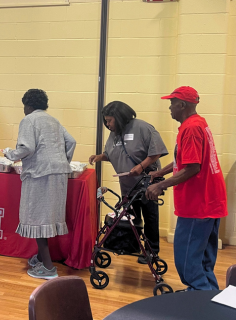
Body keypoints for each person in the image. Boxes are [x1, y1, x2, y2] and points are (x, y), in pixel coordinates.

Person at [146, 86, 227, 291]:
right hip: (212, 202)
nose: (170, 108)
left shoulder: (190, 129)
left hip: (197, 205)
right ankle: (208, 298)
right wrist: (159, 173)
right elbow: (184, 161)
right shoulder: (198, 124)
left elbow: (193, 168)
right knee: (203, 260)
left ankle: (199, 298)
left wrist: (160, 185)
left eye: (172, 104)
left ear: (182, 105)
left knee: (187, 262)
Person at [2, 89, 76, 279]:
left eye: (24, 107)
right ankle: (43, 259)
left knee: (37, 218)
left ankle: (49, 268)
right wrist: (62, 161)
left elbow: (27, 147)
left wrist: (10, 153)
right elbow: (71, 142)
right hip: (59, 173)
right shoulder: (54, 120)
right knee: (48, 218)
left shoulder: (29, 120)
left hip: (40, 174)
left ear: (29, 105)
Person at [89, 101, 168, 263]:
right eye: (106, 121)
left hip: (146, 183)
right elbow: (111, 153)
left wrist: (141, 166)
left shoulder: (143, 128)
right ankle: (133, 245)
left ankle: (152, 252)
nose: (107, 124)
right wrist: (100, 157)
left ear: (119, 117)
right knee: (132, 217)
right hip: (128, 186)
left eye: (110, 120)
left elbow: (157, 151)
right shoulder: (114, 133)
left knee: (150, 218)